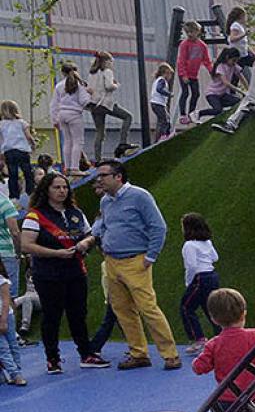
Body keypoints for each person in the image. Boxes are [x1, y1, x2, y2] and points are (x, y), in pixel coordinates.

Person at [88, 159, 180, 370]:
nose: (99, 179)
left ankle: (170, 354)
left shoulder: (140, 196)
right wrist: (97, 238)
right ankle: (138, 353)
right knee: (122, 310)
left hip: (136, 260)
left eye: (103, 175)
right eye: (98, 176)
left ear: (118, 177)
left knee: (148, 308)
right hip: (112, 261)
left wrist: (151, 256)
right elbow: (104, 224)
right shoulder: (105, 201)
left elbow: (158, 227)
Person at [20, 172, 106, 372]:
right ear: (46, 190)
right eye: (56, 187)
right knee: (52, 316)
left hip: (75, 271)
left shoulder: (75, 212)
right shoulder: (35, 216)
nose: (61, 191)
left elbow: (90, 233)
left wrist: (86, 242)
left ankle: (86, 354)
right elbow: (26, 245)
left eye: (65, 187)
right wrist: (55, 253)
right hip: (48, 274)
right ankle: (53, 359)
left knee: (78, 314)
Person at [179, 212, 220, 356]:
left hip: (200, 278)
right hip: (212, 276)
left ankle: (198, 338)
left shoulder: (189, 245)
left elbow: (191, 266)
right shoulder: (207, 242)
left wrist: (189, 282)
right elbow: (215, 257)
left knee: (186, 307)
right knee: (211, 308)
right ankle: (221, 337)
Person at [85, 51, 134, 160]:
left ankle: (97, 159)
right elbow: (108, 86)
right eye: (111, 62)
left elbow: (90, 88)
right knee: (127, 117)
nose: (112, 64)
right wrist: (116, 85)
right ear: (106, 62)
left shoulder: (92, 73)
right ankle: (123, 143)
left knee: (100, 132)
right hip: (105, 103)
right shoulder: (107, 71)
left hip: (94, 105)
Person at [50, 62, 90, 171]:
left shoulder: (59, 85)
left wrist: (55, 119)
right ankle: (75, 167)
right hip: (74, 115)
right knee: (77, 141)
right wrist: (90, 95)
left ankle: (67, 167)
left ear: (62, 73)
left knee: (67, 141)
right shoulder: (79, 84)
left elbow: (54, 104)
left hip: (62, 114)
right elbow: (84, 101)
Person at [175, 21, 213, 126]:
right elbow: (181, 60)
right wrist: (183, 75)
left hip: (193, 74)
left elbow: (206, 61)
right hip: (184, 73)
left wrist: (211, 71)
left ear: (197, 31)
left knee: (196, 93)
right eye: (188, 33)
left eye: (192, 32)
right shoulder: (184, 44)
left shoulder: (202, 46)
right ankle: (183, 114)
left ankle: (191, 114)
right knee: (185, 92)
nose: (190, 35)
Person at [196, 48, 244, 121]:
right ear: (227, 57)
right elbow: (226, 82)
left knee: (238, 101)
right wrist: (241, 91)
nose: (234, 63)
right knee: (217, 110)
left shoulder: (234, 66)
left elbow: (242, 77)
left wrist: (249, 89)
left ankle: (230, 117)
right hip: (212, 94)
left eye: (236, 61)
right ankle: (199, 113)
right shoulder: (220, 67)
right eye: (233, 60)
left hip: (222, 94)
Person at [1, 99, 34, 198]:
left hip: (9, 151)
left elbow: (0, 140)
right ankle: (30, 192)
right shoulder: (22, 123)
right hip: (22, 150)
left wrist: (1, 153)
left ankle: (14, 195)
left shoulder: (1, 124)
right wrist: (33, 144)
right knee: (27, 172)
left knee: (13, 174)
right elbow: (28, 136)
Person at [148, 64, 175, 141]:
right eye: (170, 74)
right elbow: (159, 89)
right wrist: (169, 94)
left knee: (164, 119)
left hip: (156, 103)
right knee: (164, 120)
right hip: (158, 103)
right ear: (166, 73)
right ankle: (163, 136)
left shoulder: (157, 80)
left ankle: (163, 135)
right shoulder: (162, 80)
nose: (170, 77)